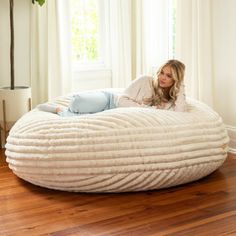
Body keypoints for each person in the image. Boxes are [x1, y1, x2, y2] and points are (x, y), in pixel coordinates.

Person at [37, 59, 187, 116]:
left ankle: (60, 111)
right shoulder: (146, 80)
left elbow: (180, 112)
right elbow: (122, 99)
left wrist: (180, 87)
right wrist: (146, 109)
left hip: (116, 113)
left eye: (169, 76)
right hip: (109, 101)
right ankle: (61, 109)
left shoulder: (171, 100)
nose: (162, 77)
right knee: (77, 103)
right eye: (162, 72)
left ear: (176, 80)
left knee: (80, 120)